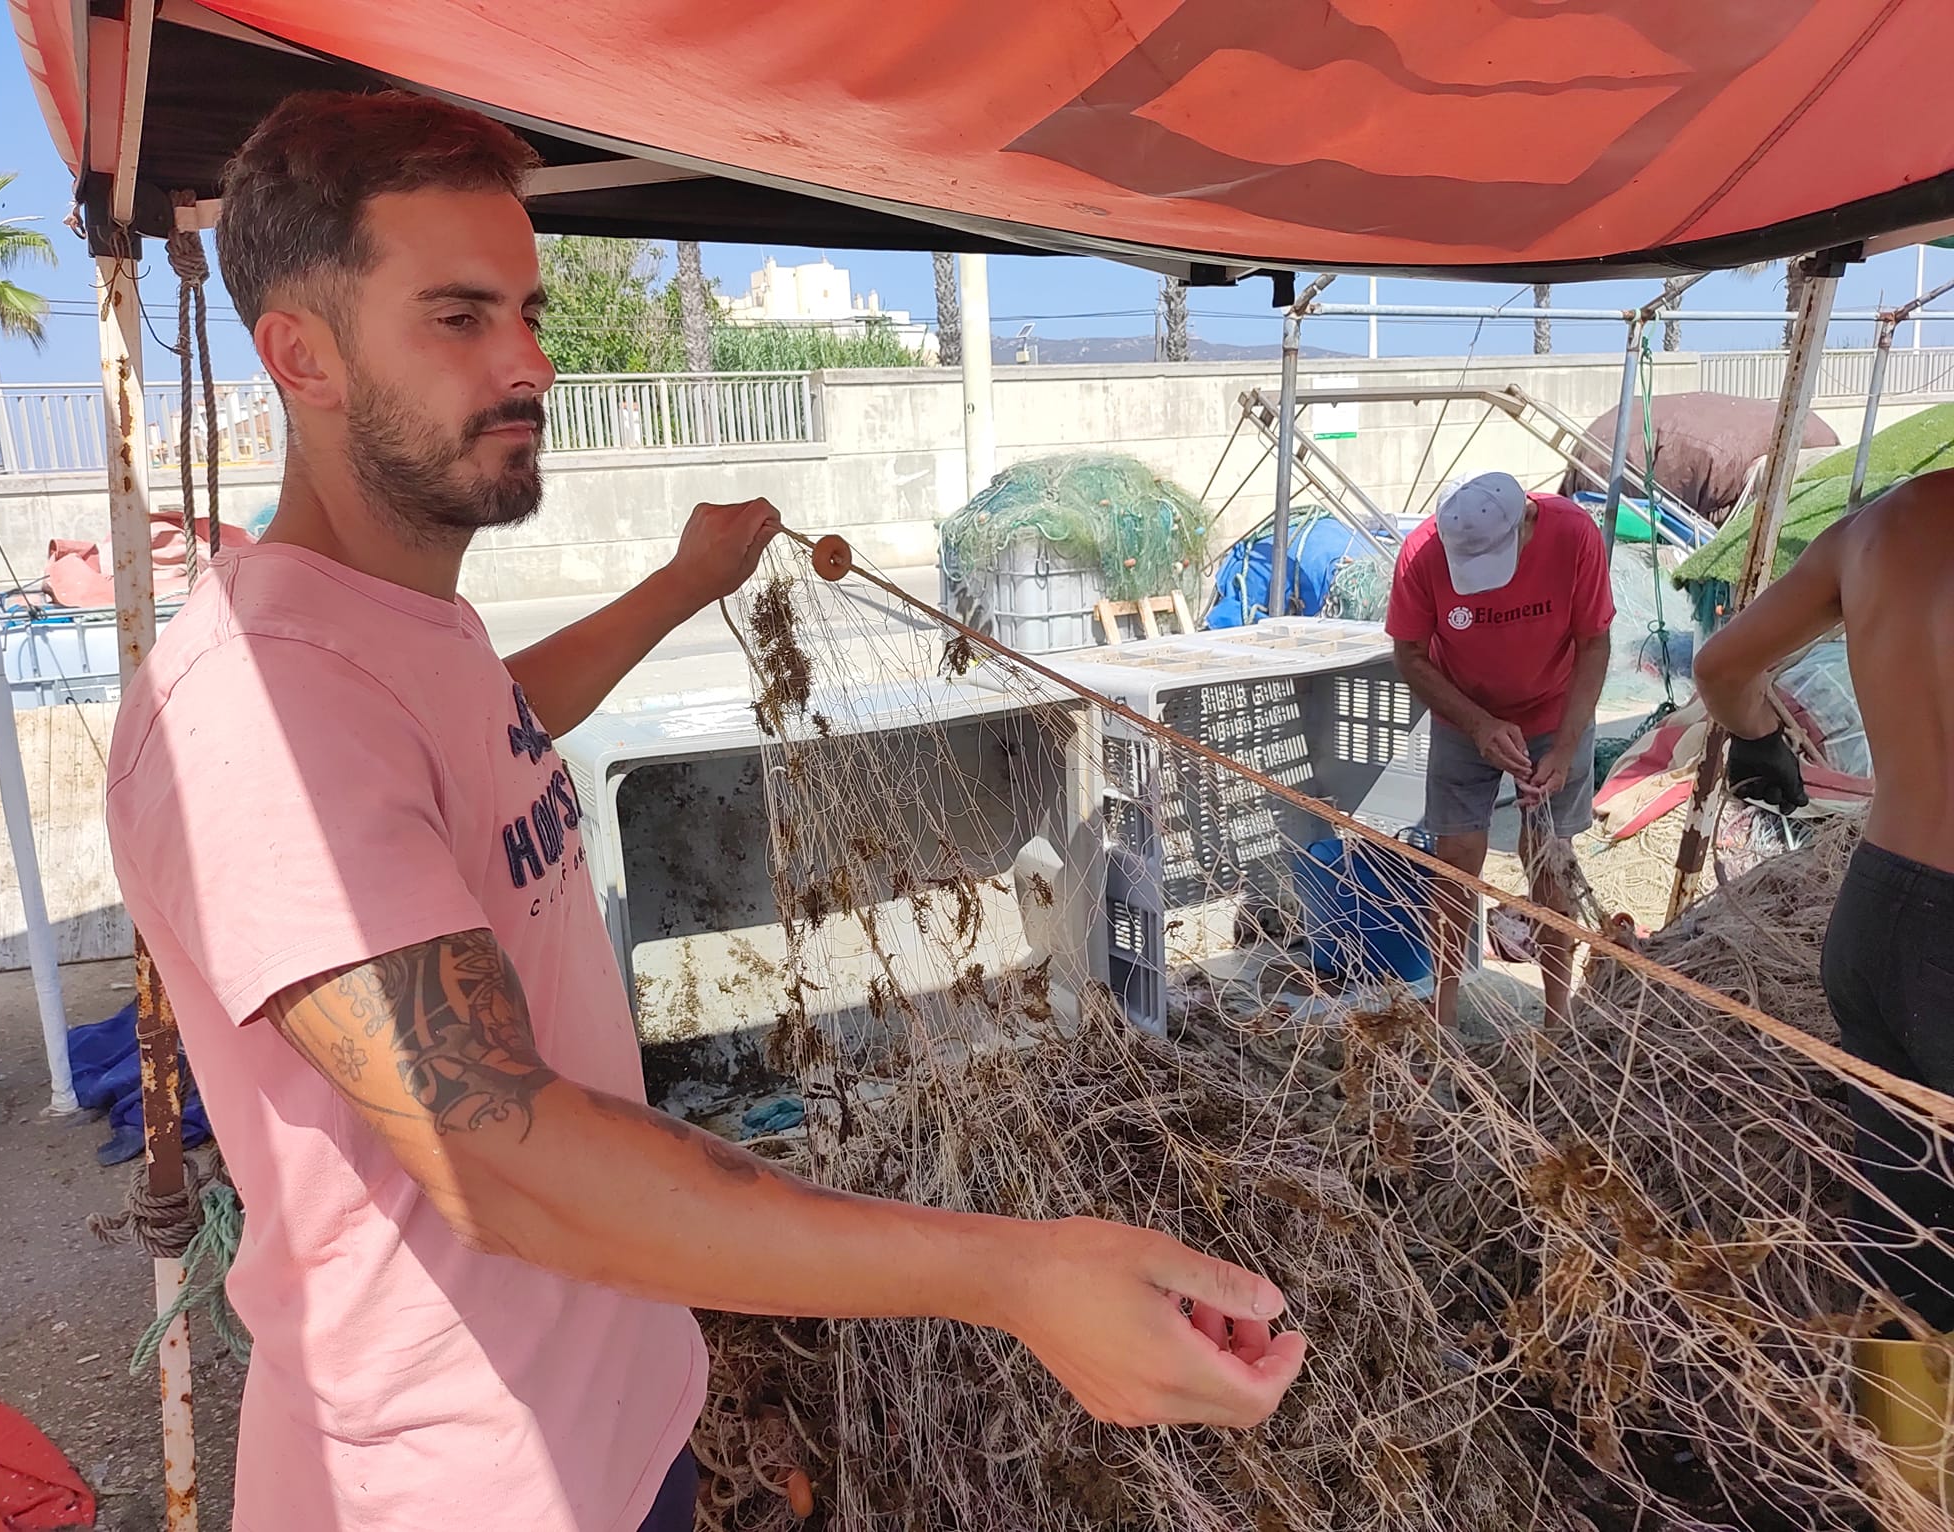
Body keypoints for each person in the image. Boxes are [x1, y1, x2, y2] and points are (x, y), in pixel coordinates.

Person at [103, 90, 1307, 1532]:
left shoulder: (395, 633)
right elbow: (505, 1161)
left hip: (615, 1421)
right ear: (299, 354)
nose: (531, 362)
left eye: (529, 312)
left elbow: (490, 735)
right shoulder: (255, 710)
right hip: (460, 1490)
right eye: (458, 317)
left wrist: (680, 586)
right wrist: (1015, 1274)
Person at [1693, 468, 1954, 1335]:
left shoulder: (1887, 523)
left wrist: (1759, 737)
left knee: (1911, 1260)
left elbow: (1723, 664)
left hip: (1881, 914)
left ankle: (1906, 1464)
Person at [1384, 472, 1615, 1030]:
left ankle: (1557, 1016)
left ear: (1523, 525)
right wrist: (1478, 724)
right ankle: (1443, 1009)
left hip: (1555, 711)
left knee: (1549, 860)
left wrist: (1564, 745)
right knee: (1457, 857)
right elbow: (1410, 654)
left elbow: (1594, 642)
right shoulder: (1422, 553)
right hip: (1464, 714)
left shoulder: (1572, 534)